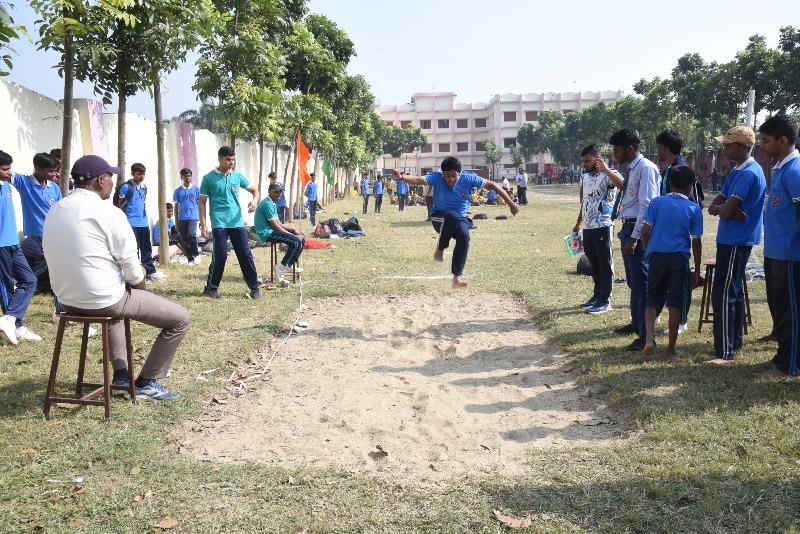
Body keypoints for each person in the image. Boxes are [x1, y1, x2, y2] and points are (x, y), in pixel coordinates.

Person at [43, 155, 190, 400]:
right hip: (104, 299)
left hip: (66, 301)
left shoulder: (56, 209)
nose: (113, 183)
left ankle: (122, 376)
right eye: (110, 177)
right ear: (100, 181)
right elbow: (131, 265)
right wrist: (142, 291)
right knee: (180, 319)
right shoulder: (108, 212)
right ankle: (147, 382)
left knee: (115, 310)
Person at [392, 157, 519, 288]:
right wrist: (401, 177)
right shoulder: (437, 177)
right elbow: (419, 180)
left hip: (460, 218)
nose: (450, 179)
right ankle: (440, 248)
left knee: (464, 235)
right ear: (443, 174)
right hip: (440, 218)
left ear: (459, 173)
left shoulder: (468, 178)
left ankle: (456, 277)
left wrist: (511, 203)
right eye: (447, 175)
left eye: (454, 175)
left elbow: (492, 185)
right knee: (452, 216)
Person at [705, 126, 766, 365]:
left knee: (723, 293)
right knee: (734, 291)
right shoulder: (736, 171)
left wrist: (725, 209)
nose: (724, 149)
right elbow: (716, 206)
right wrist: (725, 208)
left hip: (736, 240)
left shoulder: (749, 173)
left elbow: (726, 211)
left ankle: (724, 352)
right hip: (731, 238)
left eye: (729, 145)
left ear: (744, 147)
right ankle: (734, 342)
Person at [641, 166, 703, 358]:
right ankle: (671, 349)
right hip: (679, 259)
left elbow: (645, 231)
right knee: (675, 302)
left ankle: (649, 339)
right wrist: (697, 270)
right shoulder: (694, 208)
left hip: (657, 256)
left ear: (669, 183)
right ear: (691, 186)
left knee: (652, 298)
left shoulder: (657, 202)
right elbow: (696, 242)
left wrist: (649, 250)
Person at [609, 128, 661, 352]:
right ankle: (636, 323)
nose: (614, 153)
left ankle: (646, 336)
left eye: (617, 149)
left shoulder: (646, 168)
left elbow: (647, 205)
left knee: (642, 284)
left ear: (630, 148)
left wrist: (635, 237)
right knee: (633, 281)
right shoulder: (632, 168)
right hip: (628, 226)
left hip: (637, 231)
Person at [758, 114, 800, 376]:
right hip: (775, 252)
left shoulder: (795, 171)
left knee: (791, 311)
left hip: (790, 255)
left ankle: (791, 364)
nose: (763, 146)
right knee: (779, 309)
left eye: (766, 141)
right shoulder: (781, 168)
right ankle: (783, 355)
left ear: (783, 141)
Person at [199, 146, 262, 300]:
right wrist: (203, 224)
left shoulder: (237, 176)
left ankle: (254, 287)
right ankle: (211, 288)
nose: (231, 162)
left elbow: (255, 190)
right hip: (219, 222)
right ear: (220, 159)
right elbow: (202, 202)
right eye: (228, 159)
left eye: (233, 159)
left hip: (237, 222)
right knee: (220, 256)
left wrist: (254, 201)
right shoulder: (208, 178)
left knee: (245, 254)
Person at [655, 129, 701, 335]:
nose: (657, 151)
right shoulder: (669, 168)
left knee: (680, 279)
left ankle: (681, 320)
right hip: (665, 234)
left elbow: (693, 201)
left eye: (658, 147)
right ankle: (659, 311)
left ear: (664, 148)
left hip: (678, 235)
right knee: (664, 276)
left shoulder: (681, 169)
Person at [573, 145, 623, 315]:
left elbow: (622, 185)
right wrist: (578, 223)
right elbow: (584, 202)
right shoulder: (585, 177)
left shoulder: (610, 174)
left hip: (603, 225)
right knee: (594, 264)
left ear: (598, 159)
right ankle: (597, 296)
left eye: (587, 161)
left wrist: (606, 169)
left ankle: (605, 301)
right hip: (588, 227)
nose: (584, 164)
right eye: (583, 161)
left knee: (605, 264)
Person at [0, 150, 41, 345]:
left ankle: (10, 321)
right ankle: (15, 327)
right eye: (4, 169)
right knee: (6, 287)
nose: (9, 172)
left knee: (29, 279)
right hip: (1, 246)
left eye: (10, 168)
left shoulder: (7, 185)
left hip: (13, 243)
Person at [11, 153, 62, 295]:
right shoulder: (24, 182)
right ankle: (24, 286)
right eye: (51, 171)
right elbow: (5, 170)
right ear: (38, 169)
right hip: (35, 237)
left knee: (49, 265)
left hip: (53, 235)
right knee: (46, 265)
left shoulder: (54, 187)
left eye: (55, 171)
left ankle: (30, 286)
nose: (54, 174)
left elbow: (60, 210)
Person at [117, 163, 165, 282]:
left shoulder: (144, 188)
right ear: (132, 173)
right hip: (131, 223)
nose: (142, 176)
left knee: (146, 249)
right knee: (133, 249)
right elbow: (120, 205)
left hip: (143, 223)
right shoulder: (126, 187)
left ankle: (150, 272)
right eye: (139, 174)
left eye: (143, 174)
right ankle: (134, 275)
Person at [254, 182, 306, 287]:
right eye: (276, 191)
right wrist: (293, 236)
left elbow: (279, 223)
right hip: (266, 233)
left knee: (301, 239)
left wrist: (293, 230)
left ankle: (287, 265)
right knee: (296, 241)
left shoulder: (272, 203)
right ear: (269, 191)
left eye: (281, 191)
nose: (279, 194)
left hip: (272, 230)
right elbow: (275, 226)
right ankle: (281, 268)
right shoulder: (267, 204)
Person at [172, 168, 201, 265]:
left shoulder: (196, 189)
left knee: (192, 235)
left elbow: (200, 205)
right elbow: (176, 207)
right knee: (183, 238)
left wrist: (201, 220)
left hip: (193, 216)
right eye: (185, 176)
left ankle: (196, 254)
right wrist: (176, 222)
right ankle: (190, 258)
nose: (187, 177)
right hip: (182, 218)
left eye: (189, 175)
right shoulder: (178, 191)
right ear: (181, 177)